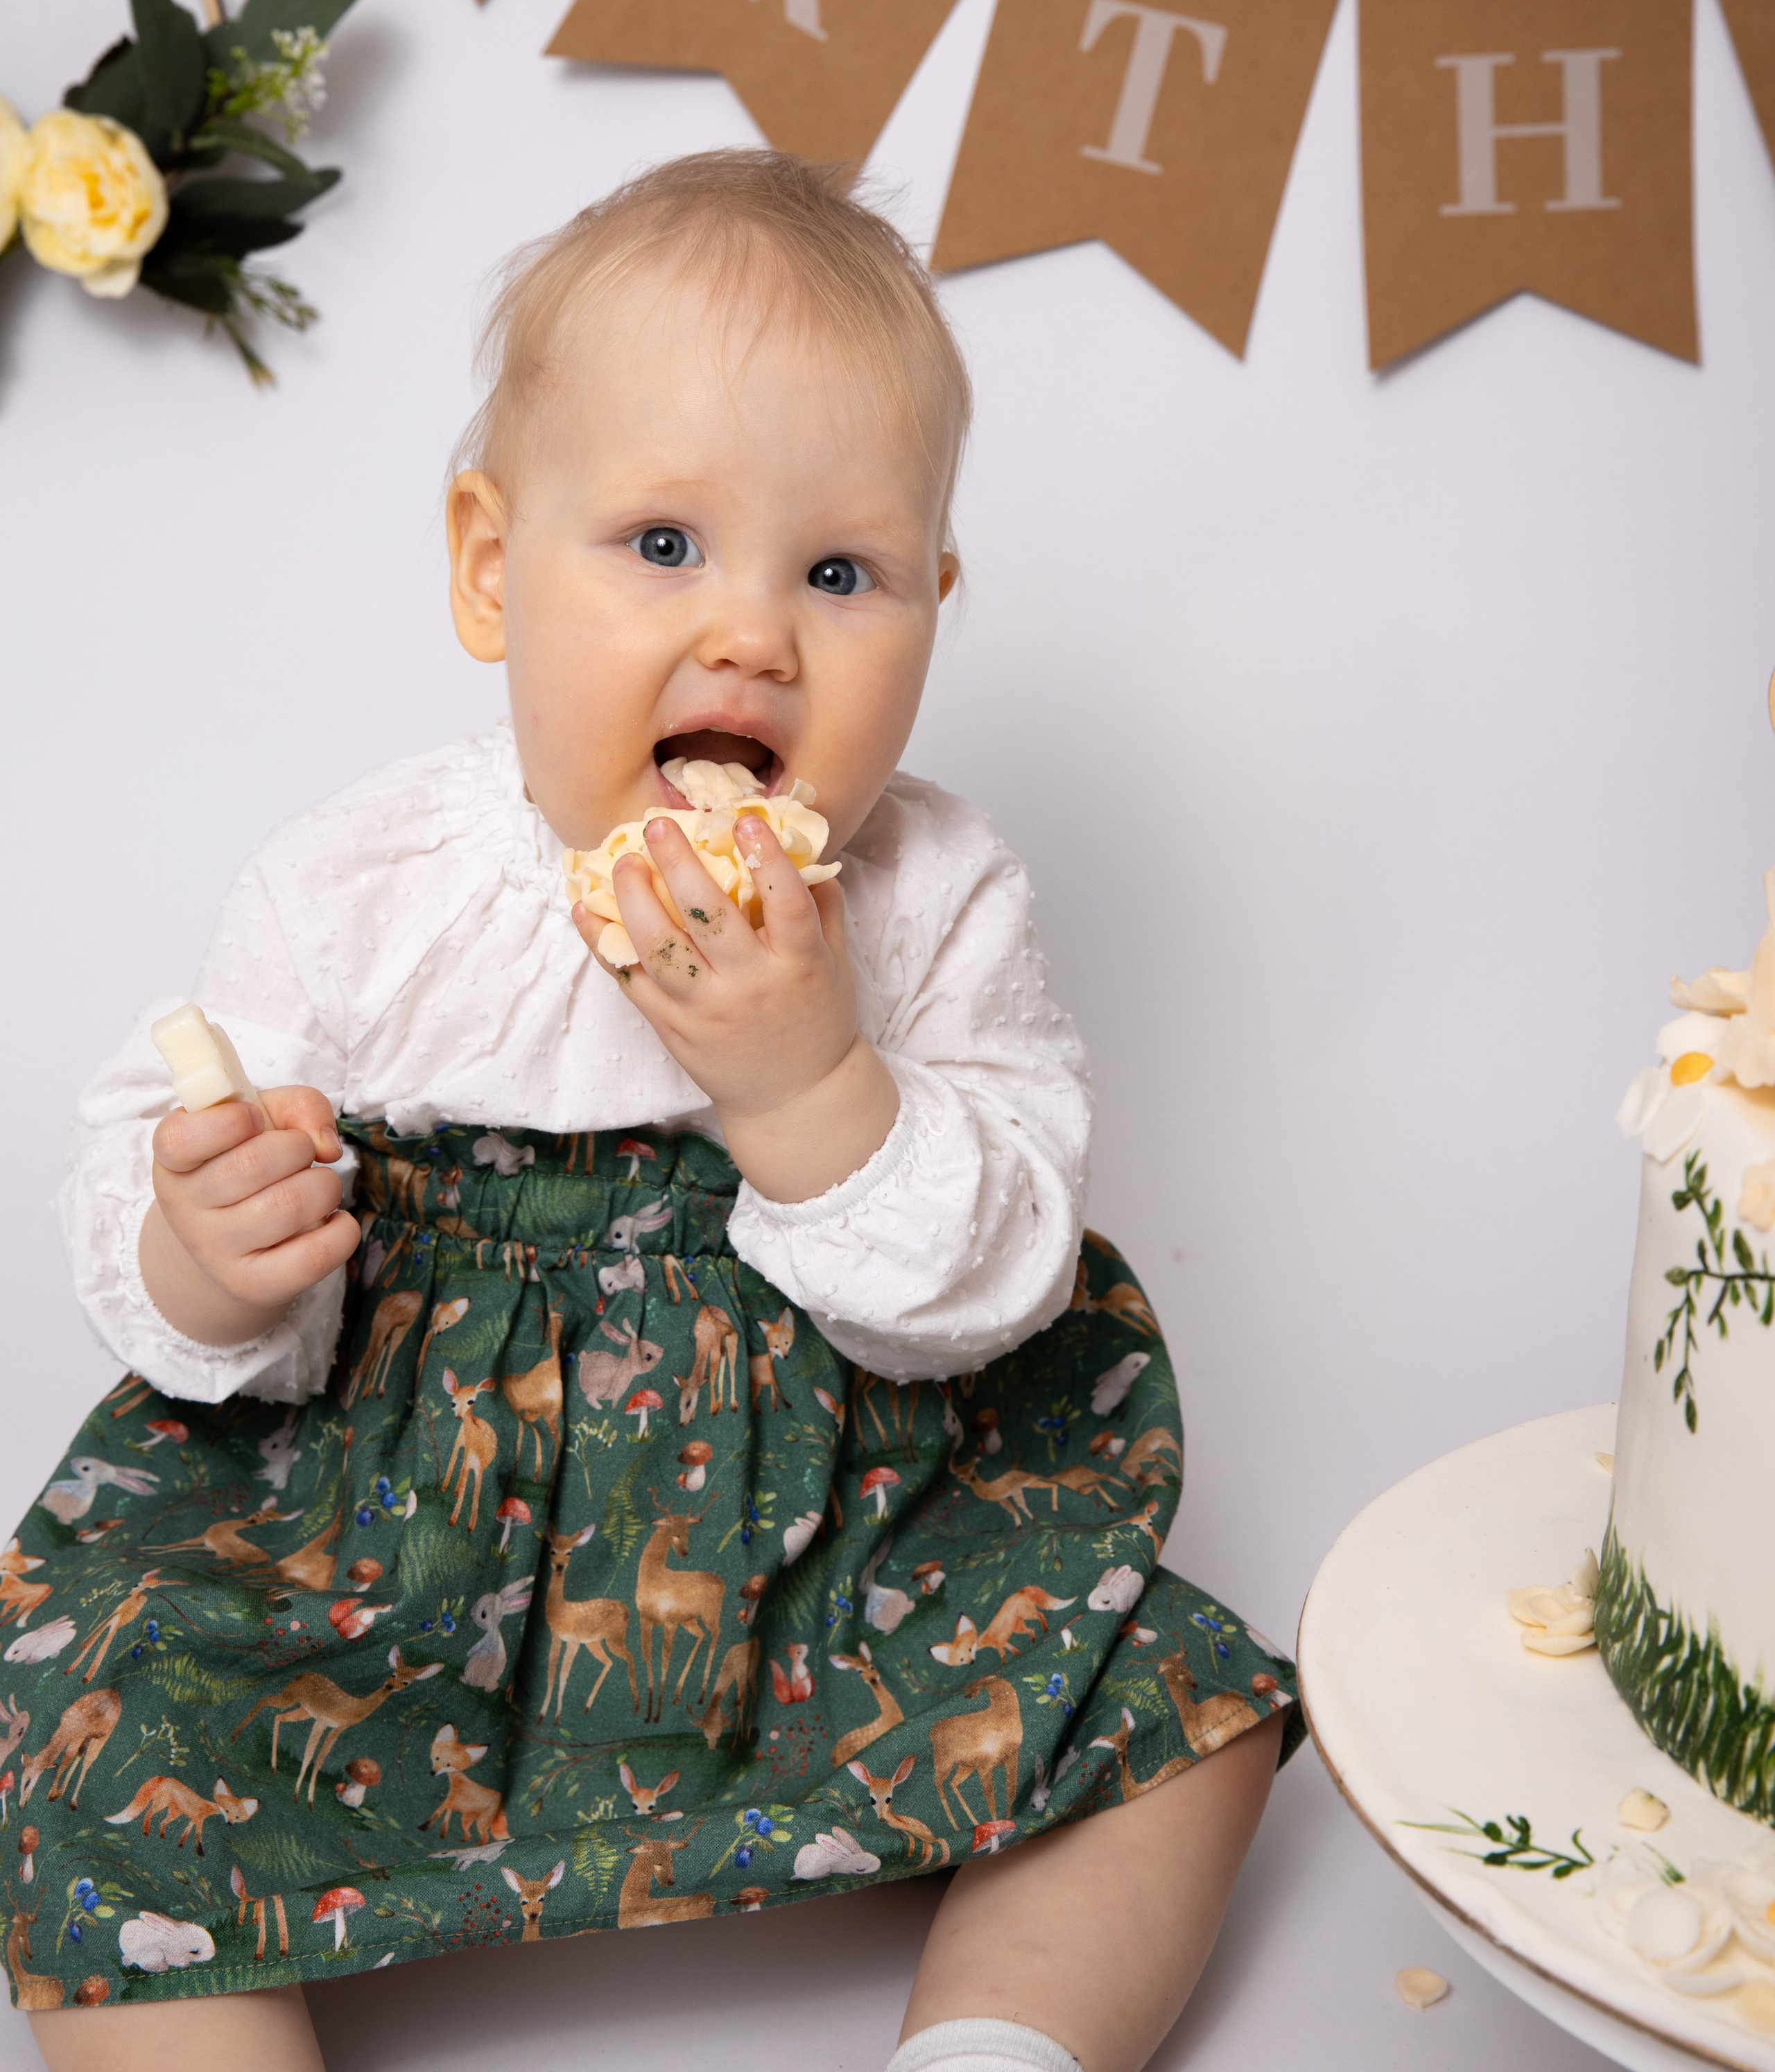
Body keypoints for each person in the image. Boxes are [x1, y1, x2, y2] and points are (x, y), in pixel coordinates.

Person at [17, 151, 1295, 2072]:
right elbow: (165, 1182)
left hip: (823, 1541)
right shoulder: (363, 886)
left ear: (935, 609)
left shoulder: (934, 896)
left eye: (842, 574)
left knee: (1183, 1711)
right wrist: (212, 1248)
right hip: (394, 1547)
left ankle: (996, 2046)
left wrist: (810, 1078)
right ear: (489, 566)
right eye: (666, 544)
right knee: (97, 1738)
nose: (756, 635)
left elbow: (994, 1277)